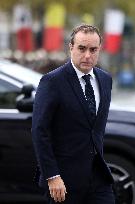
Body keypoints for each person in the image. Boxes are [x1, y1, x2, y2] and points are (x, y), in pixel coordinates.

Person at [32, 24, 115, 204]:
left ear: (99, 49)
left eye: (93, 50)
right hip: (63, 181)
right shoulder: (52, 82)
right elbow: (40, 132)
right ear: (71, 47)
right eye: (81, 48)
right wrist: (52, 175)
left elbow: (94, 129)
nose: (87, 55)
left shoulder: (105, 80)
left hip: (98, 179)